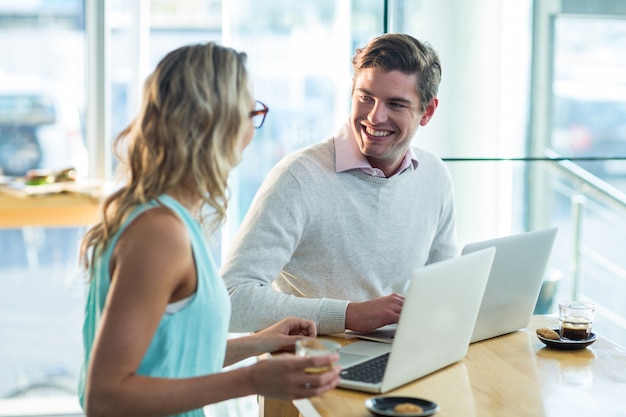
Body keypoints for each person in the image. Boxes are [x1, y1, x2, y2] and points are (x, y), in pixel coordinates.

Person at [77, 42, 340, 417]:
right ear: (214, 122)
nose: (252, 129)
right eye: (250, 112)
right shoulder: (160, 233)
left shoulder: (160, 215)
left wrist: (259, 342)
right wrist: (253, 380)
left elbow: (173, 357)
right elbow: (106, 397)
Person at [221, 33, 458, 336]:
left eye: (395, 104)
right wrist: (346, 315)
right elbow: (232, 298)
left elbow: (444, 288)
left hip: (398, 358)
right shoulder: (298, 178)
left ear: (427, 112)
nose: (375, 116)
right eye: (365, 97)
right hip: (311, 369)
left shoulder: (434, 177)